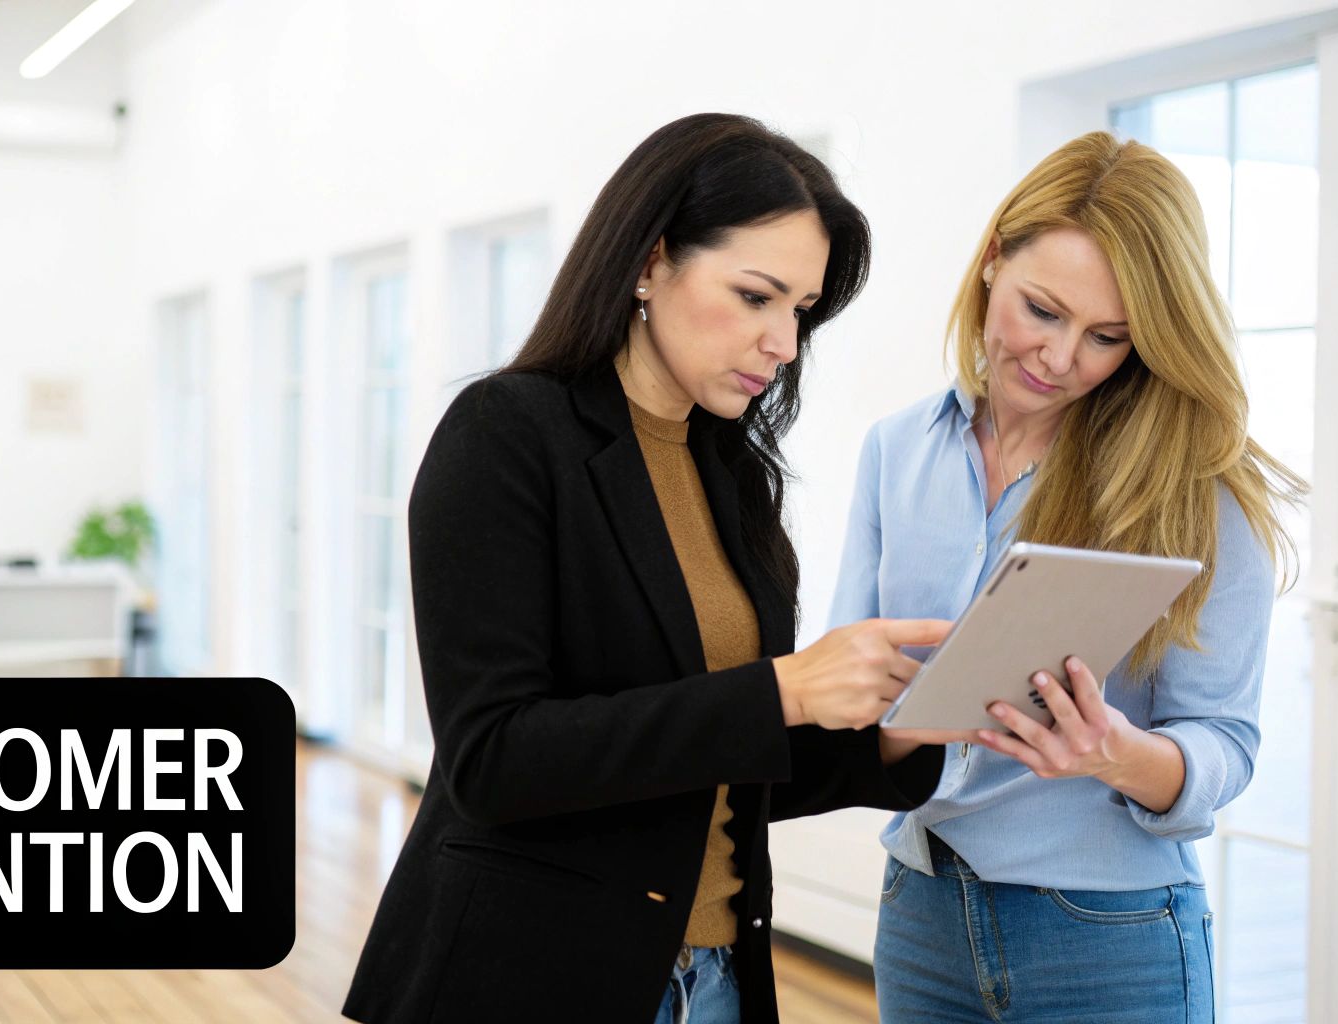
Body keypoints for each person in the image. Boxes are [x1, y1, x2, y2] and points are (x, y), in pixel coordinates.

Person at [342, 113, 951, 1024]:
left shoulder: (733, 472)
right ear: (649, 262)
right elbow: (493, 759)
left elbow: (726, 761)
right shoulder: (505, 433)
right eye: (756, 296)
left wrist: (906, 729)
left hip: (714, 974)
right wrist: (781, 690)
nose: (784, 342)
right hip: (530, 974)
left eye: (801, 311)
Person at [835, 131, 1306, 1022]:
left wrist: (1116, 755)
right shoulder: (896, 451)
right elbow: (849, 689)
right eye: (1042, 311)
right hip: (922, 916)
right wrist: (885, 713)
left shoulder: (1195, 484)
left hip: (1108, 937)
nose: (1059, 359)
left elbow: (1225, 741)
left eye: (1106, 337)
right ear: (990, 262)